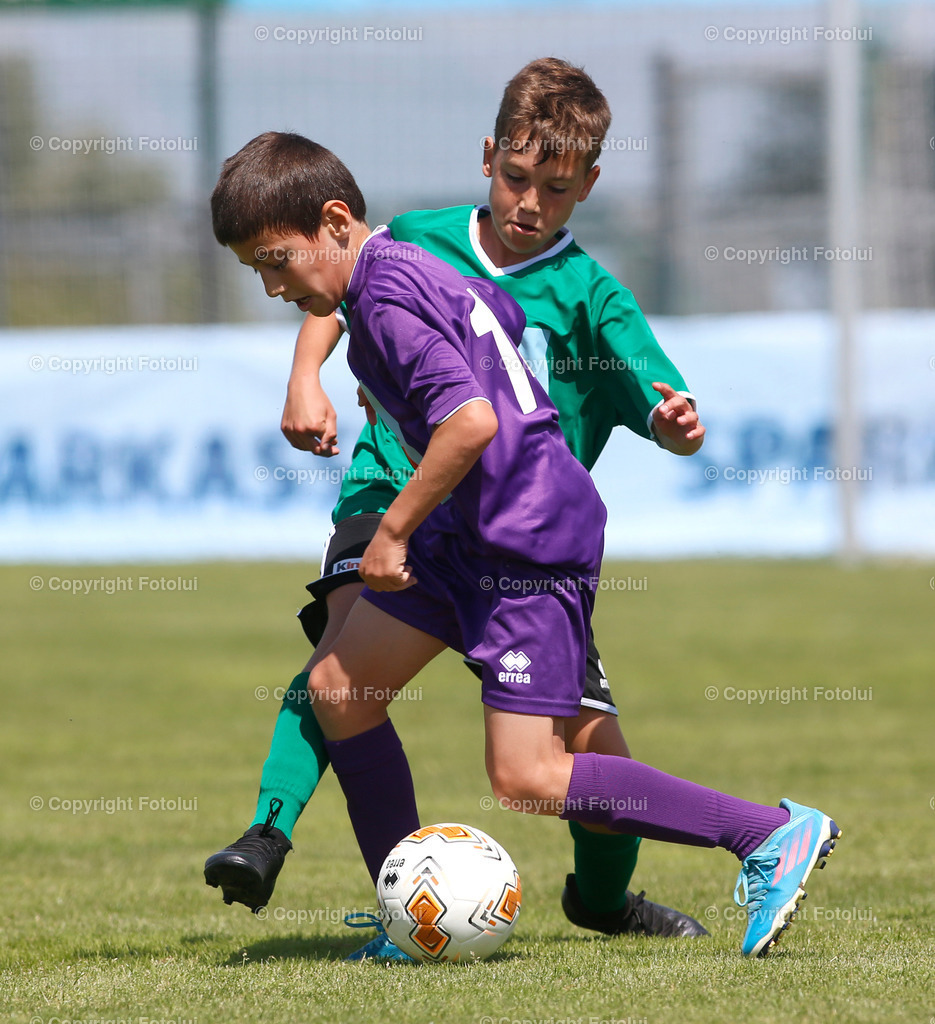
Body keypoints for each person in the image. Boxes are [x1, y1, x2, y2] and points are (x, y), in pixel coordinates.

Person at [209, 130, 842, 960]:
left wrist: (395, 526)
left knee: (530, 778)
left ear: (334, 221)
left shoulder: (389, 298)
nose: (269, 285)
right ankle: (407, 919)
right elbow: (498, 322)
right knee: (338, 684)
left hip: (525, 546)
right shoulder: (405, 270)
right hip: (472, 531)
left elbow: (469, 421)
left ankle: (766, 833)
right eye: (255, 268)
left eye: (275, 260)